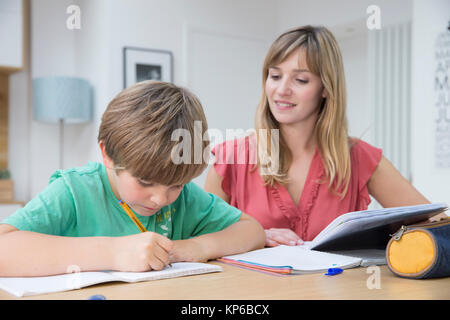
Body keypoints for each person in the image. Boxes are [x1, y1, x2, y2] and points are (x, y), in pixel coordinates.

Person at [204, 25, 444, 248]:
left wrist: (389, 236)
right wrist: (255, 235)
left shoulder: (359, 158)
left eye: (300, 80)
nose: (282, 90)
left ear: (326, 89)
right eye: (275, 76)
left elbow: (438, 224)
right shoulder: (230, 159)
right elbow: (199, 239)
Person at [0, 80, 265, 277]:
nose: (161, 198)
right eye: (145, 182)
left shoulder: (183, 198)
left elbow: (252, 230)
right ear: (107, 154)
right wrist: (113, 252)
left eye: (175, 184)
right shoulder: (73, 191)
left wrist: (197, 246)